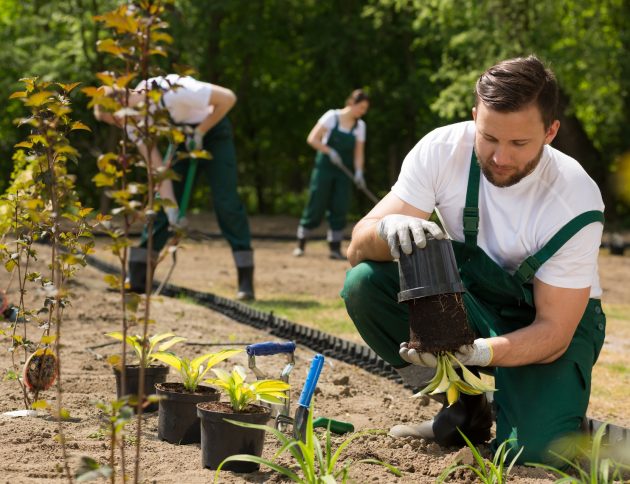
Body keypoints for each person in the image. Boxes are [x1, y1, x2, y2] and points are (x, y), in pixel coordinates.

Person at [340, 56, 605, 465]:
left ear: (550, 132)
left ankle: (568, 424)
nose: (500, 157)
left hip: (551, 322)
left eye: (519, 144)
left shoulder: (573, 200)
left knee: (534, 455)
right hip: (475, 301)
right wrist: (387, 229)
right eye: (489, 137)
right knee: (363, 284)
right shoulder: (442, 150)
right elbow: (356, 248)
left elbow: (553, 332)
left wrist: (480, 353)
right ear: (474, 117)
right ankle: (462, 406)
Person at [94, 75, 255, 300]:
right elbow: (157, 168)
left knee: (225, 201)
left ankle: (245, 280)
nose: (121, 125)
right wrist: (172, 212)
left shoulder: (174, 90)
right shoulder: (132, 122)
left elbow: (228, 98)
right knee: (162, 205)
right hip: (181, 138)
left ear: (122, 102)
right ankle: (138, 277)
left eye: (116, 120)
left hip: (214, 130)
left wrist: (200, 131)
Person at [293, 89, 370, 259]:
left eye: (365, 109)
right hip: (325, 168)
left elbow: (359, 153)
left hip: (344, 171)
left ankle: (334, 249)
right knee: (316, 203)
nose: (362, 112)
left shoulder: (360, 126)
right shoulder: (331, 117)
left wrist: (358, 172)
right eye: (361, 107)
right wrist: (329, 151)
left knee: (340, 205)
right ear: (351, 103)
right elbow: (312, 138)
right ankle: (301, 244)